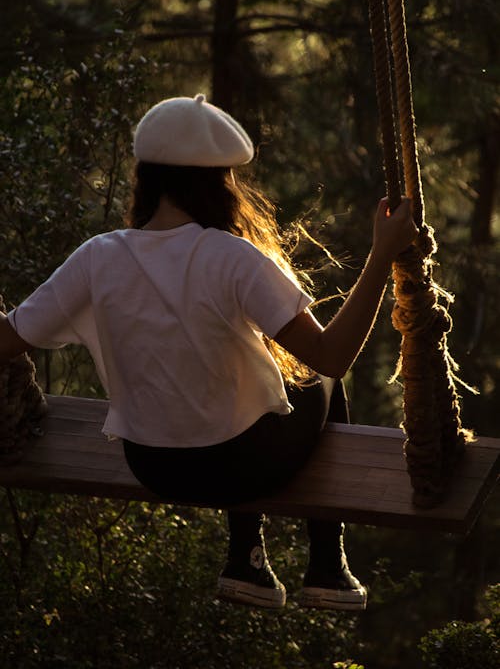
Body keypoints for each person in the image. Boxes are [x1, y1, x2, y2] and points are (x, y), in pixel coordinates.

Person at [0, 93, 417, 611]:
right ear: (218, 183)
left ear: (146, 177)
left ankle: (247, 562)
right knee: (318, 382)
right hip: (241, 466)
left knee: (242, 368)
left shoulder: (97, 256)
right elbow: (331, 356)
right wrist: (381, 254)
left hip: (152, 464)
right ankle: (327, 567)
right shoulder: (232, 257)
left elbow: (7, 338)